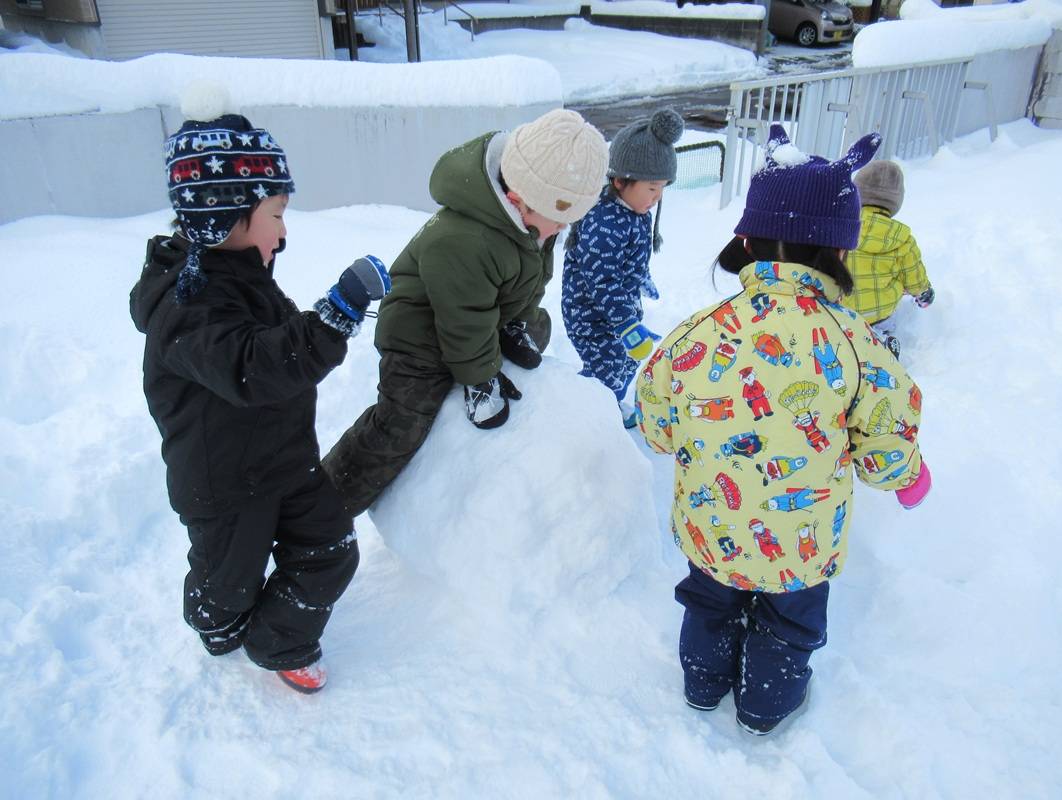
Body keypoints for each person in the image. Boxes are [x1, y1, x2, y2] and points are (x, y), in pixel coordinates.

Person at [636, 125, 932, 735]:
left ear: (745, 240)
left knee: (708, 604)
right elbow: (884, 446)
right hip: (801, 543)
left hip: (711, 524)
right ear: (842, 252)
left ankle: (702, 683)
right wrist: (909, 475)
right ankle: (765, 707)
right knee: (789, 622)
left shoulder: (697, 332)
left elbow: (657, 423)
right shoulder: (858, 344)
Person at [130, 87, 390, 694]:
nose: (283, 230)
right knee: (228, 583)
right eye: (275, 214)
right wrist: (337, 311)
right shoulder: (185, 307)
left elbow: (280, 361)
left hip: (285, 460)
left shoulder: (245, 276)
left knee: (332, 550)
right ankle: (217, 621)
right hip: (222, 482)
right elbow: (255, 368)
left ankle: (279, 641)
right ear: (225, 219)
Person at [322, 109, 608, 517]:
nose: (560, 231)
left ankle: (497, 342)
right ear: (517, 200)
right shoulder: (465, 240)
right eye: (558, 222)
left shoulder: (530, 221)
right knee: (404, 422)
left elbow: (532, 280)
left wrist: (518, 321)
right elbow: (465, 321)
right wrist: (480, 380)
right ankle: (326, 502)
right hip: (418, 336)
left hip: (479, 315)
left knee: (537, 329)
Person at [561, 109, 685, 428]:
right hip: (590, 312)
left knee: (626, 362)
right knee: (607, 370)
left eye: (662, 189)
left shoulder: (634, 210)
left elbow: (627, 259)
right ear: (619, 181)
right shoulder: (604, 222)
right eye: (652, 188)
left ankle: (599, 401)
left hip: (618, 307)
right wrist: (627, 325)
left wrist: (640, 277)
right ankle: (596, 415)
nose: (657, 198)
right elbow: (601, 281)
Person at [846, 160, 935, 357]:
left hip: (840, 310)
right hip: (879, 312)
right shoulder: (902, 240)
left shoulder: (841, 227)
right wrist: (924, 292)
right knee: (886, 307)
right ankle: (880, 341)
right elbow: (914, 278)